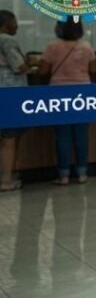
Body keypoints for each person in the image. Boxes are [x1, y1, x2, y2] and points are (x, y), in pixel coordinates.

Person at [39, 19, 96, 185]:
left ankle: (63, 175)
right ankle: (82, 173)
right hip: (83, 94)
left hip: (59, 93)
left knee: (62, 134)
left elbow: (43, 70)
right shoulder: (86, 47)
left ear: (60, 28)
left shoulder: (52, 47)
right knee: (81, 134)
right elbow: (93, 69)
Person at [0, 10, 30, 191]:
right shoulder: (6, 40)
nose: (17, 25)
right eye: (14, 21)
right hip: (10, 92)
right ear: (6, 23)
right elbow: (19, 66)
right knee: (9, 138)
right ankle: (6, 180)